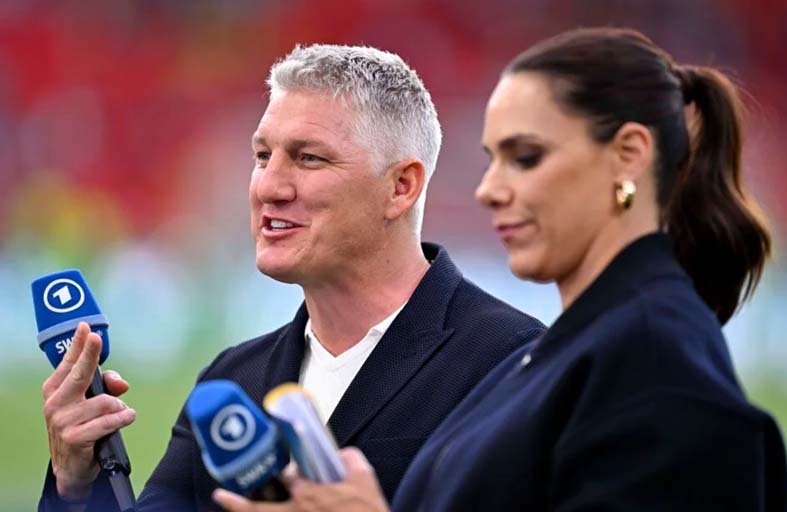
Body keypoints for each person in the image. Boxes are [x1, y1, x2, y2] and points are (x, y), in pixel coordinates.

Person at [217, 27, 787, 512]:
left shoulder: (652, 361)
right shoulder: (566, 353)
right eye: (492, 160)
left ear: (628, 156)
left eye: (526, 158)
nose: (488, 191)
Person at [38, 45, 545, 511]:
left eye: (309, 158)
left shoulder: (515, 363)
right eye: (263, 156)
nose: (269, 186)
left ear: (401, 187)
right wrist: (75, 485)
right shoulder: (230, 381)